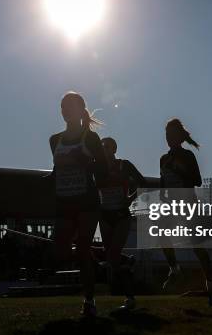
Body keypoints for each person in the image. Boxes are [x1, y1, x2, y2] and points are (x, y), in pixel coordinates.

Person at [50, 91, 107, 317]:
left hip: (86, 200)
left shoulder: (90, 138)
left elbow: (102, 169)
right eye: (62, 106)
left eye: (69, 106)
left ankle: (89, 300)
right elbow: (57, 168)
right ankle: (98, 261)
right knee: (61, 250)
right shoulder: (55, 139)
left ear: (80, 109)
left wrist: (87, 162)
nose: (65, 110)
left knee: (82, 248)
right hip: (64, 201)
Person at [159, 118, 212, 306]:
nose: (168, 138)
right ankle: (174, 270)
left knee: (197, 246)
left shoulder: (187, 156)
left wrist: (181, 171)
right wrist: (163, 195)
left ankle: (210, 284)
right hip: (172, 206)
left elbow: (198, 181)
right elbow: (163, 184)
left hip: (189, 204)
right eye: (166, 135)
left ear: (179, 137)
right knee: (161, 233)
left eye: (172, 135)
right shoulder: (163, 158)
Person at [97, 137, 146, 311]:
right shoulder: (97, 168)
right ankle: (128, 263)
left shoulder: (124, 165)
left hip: (121, 215)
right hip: (104, 216)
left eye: (107, 146)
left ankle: (130, 296)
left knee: (113, 255)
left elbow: (143, 182)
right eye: (101, 146)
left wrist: (130, 199)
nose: (104, 149)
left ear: (114, 149)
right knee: (112, 258)